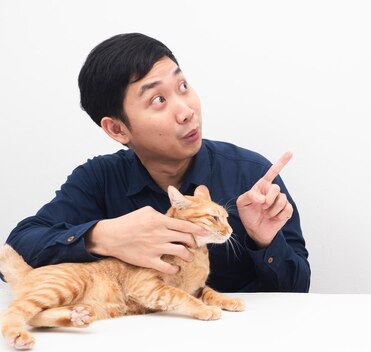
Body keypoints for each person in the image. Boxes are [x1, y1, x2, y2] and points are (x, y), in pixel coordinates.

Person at [4, 33, 310, 293]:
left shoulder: (251, 175)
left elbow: (299, 290)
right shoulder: (99, 179)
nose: (187, 111)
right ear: (117, 129)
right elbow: (15, 252)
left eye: (183, 86)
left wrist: (264, 241)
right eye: (158, 100)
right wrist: (103, 237)